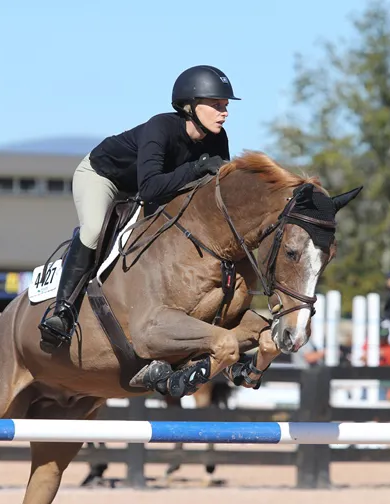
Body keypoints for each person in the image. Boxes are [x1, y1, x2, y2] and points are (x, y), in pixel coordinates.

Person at [39, 65, 240, 351]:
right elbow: (149, 189)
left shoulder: (218, 138)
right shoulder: (161, 127)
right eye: (217, 105)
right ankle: (62, 311)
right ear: (191, 106)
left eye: (226, 106)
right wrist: (197, 168)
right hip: (103, 176)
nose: (225, 112)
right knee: (95, 230)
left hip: (147, 188)